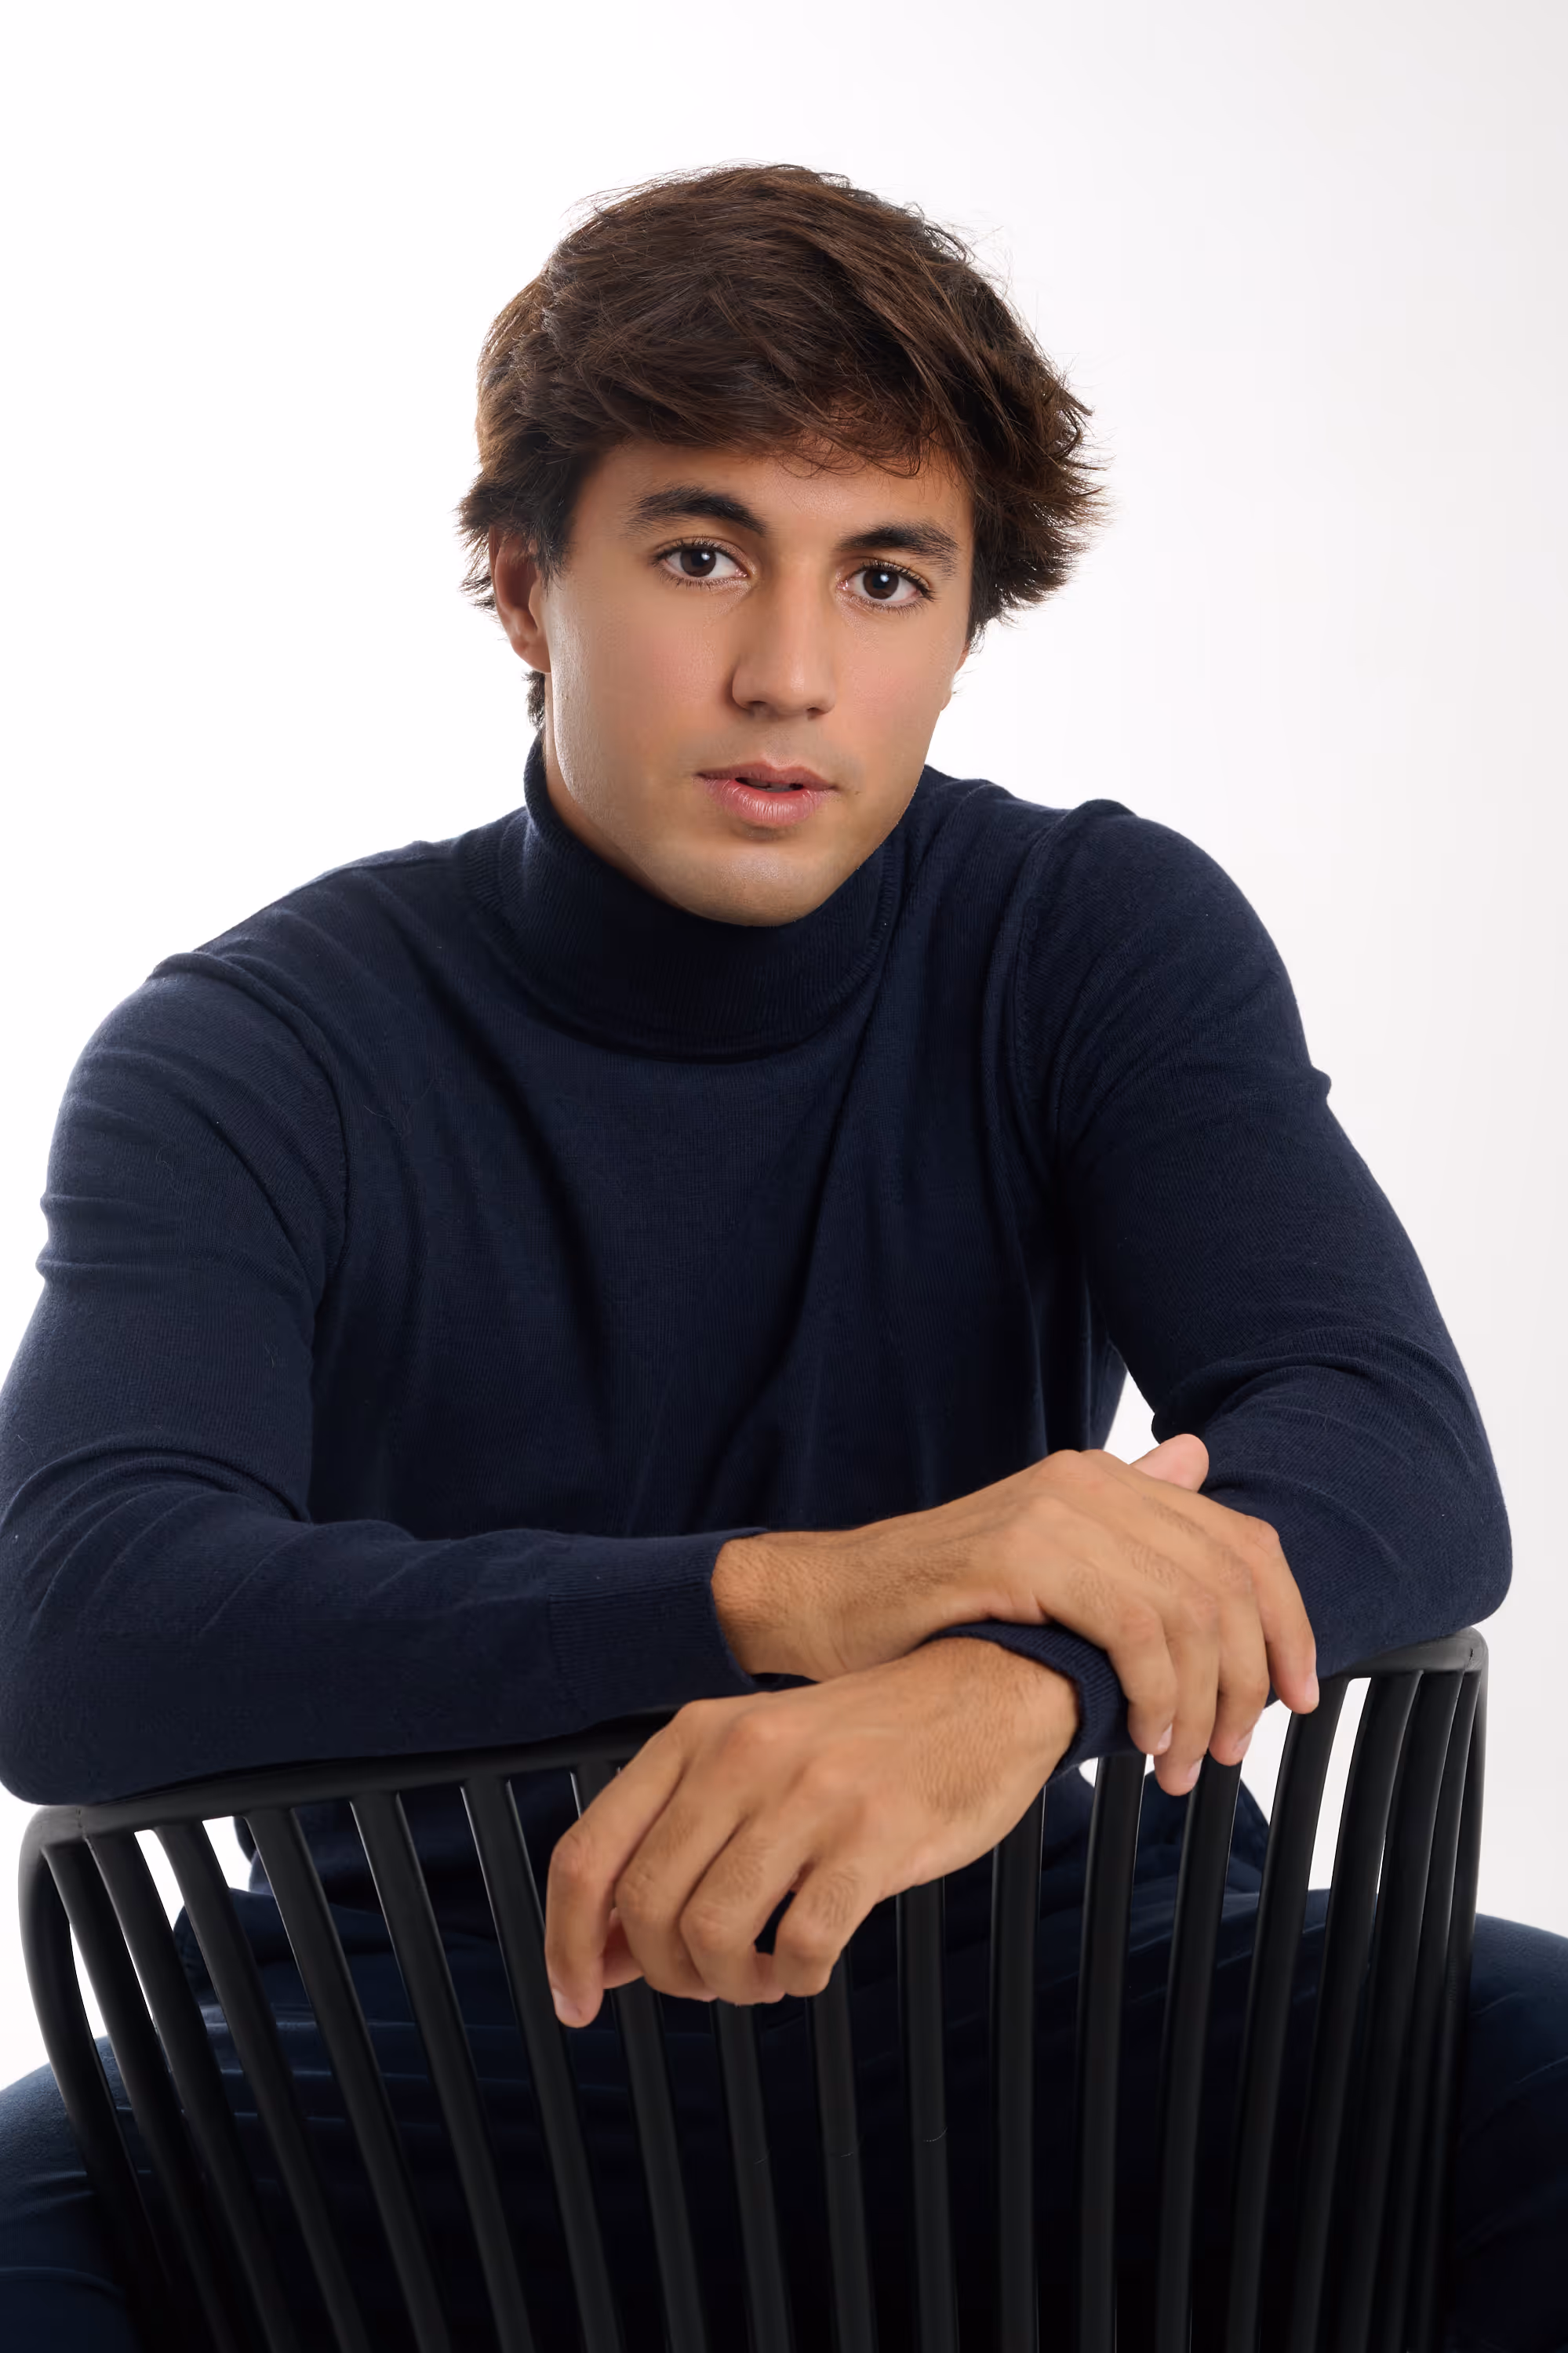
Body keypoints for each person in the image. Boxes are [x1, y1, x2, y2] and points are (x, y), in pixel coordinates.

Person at [0, 162, 1559, 2350]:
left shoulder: (1083, 937)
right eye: (701, 553)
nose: (791, 675)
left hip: (1071, 1996)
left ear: (962, 623)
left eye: (887, 575)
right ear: (524, 581)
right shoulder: (253, 1052)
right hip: (422, 2066)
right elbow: (76, 1618)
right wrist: (801, 1597)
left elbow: (1388, 1447)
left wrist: (1003, 1685)